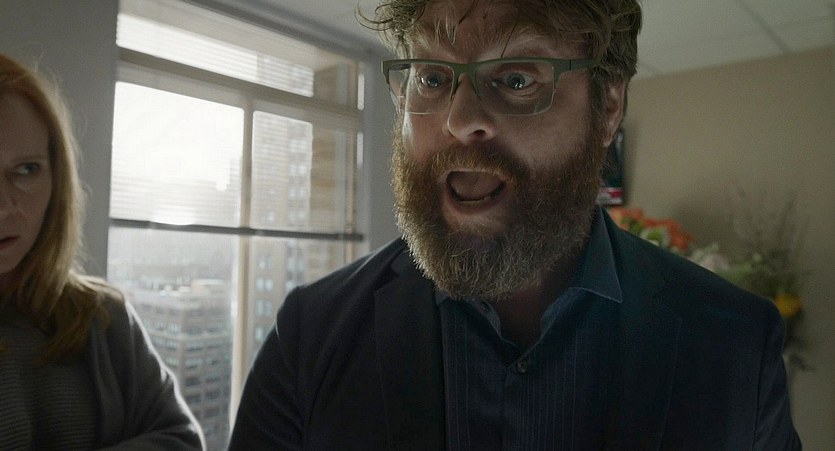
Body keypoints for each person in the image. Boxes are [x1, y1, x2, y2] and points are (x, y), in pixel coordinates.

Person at [230, 0, 801, 449]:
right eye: (432, 77)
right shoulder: (309, 337)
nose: (460, 120)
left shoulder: (735, 345)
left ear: (607, 109)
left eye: (518, 79)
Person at [0, 53, 204, 449]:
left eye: (26, 170)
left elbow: (181, 440)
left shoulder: (102, 319)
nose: (5, 206)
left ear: (57, 180)